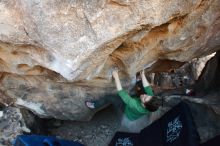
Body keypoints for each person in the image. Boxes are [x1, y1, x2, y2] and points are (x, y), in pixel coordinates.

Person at [85, 70, 161, 132]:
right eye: (147, 96)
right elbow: (147, 87)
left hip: (126, 108)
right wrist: (143, 75)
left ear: (144, 105)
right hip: (136, 102)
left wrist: (116, 76)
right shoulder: (150, 101)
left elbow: (122, 93)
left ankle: (94, 105)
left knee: (109, 97)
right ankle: (138, 81)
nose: (145, 95)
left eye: (145, 98)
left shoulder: (135, 105)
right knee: (142, 88)